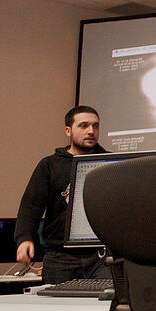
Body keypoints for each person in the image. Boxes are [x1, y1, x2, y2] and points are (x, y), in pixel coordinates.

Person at [14, 105, 110, 284]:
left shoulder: (111, 164)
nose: (91, 131)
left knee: (105, 308)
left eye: (95, 126)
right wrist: (24, 238)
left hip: (101, 257)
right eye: (84, 125)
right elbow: (31, 206)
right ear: (68, 130)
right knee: (57, 309)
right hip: (60, 257)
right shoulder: (50, 165)